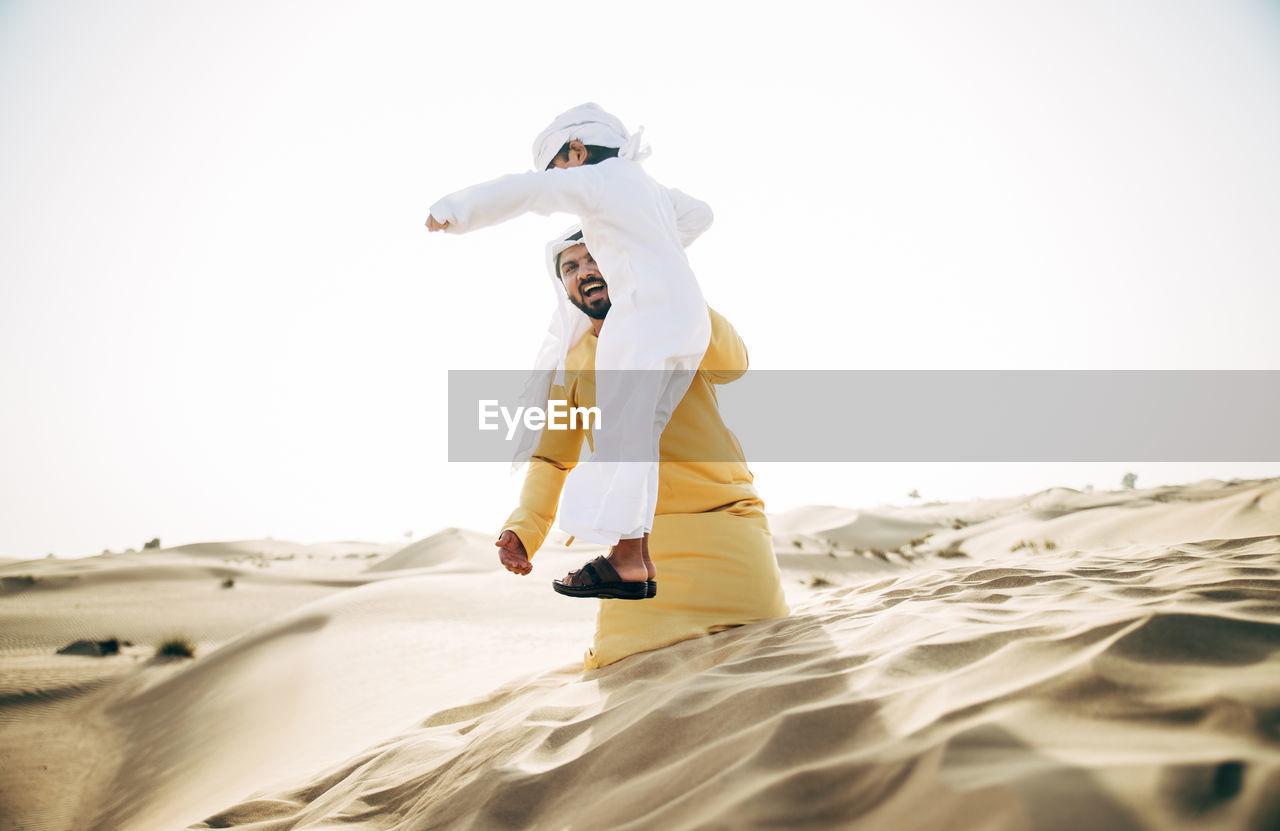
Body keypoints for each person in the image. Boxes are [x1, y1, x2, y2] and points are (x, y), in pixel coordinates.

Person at [425, 103, 713, 591]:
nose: (557, 180)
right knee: (641, 434)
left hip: (642, 315)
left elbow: (528, 192)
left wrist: (454, 210)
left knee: (623, 434)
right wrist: (654, 242)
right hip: (689, 317)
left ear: (576, 153)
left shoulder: (599, 182)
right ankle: (637, 560)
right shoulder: (646, 188)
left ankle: (625, 559)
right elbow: (701, 214)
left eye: (557, 167)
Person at [494, 228, 790, 668]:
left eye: (594, 258)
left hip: (726, 522)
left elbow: (734, 366)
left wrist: (675, 294)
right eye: (571, 267)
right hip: (635, 547)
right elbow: (553, 458)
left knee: (770, 665)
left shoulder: (673, 322)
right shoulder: (570, 365)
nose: (584, 271)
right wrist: (525, 528)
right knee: (622, 674)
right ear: (564, 288)